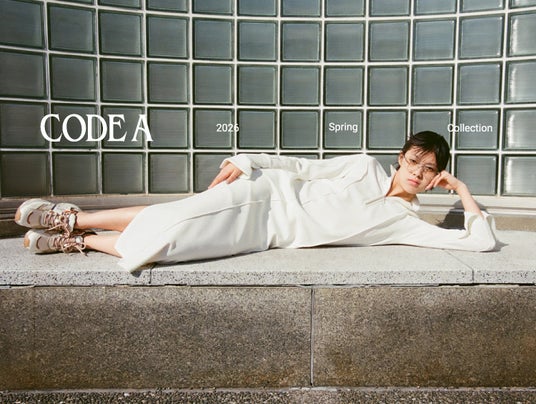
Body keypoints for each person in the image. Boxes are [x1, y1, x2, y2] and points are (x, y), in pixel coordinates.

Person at [14, 131, 497, 272]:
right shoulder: (364, 165)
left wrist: (463, 192)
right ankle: (72, 217)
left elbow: (480, 244)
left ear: (435, 177)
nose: (417, 172)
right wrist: (249, 158)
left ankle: (81, 241)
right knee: (174, 218)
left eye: (429, 169)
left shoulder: (405, 221)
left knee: (169, 246)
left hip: (267, 233)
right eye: (413, 160)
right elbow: (303, 166)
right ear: (400, 157)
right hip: (266, 194)